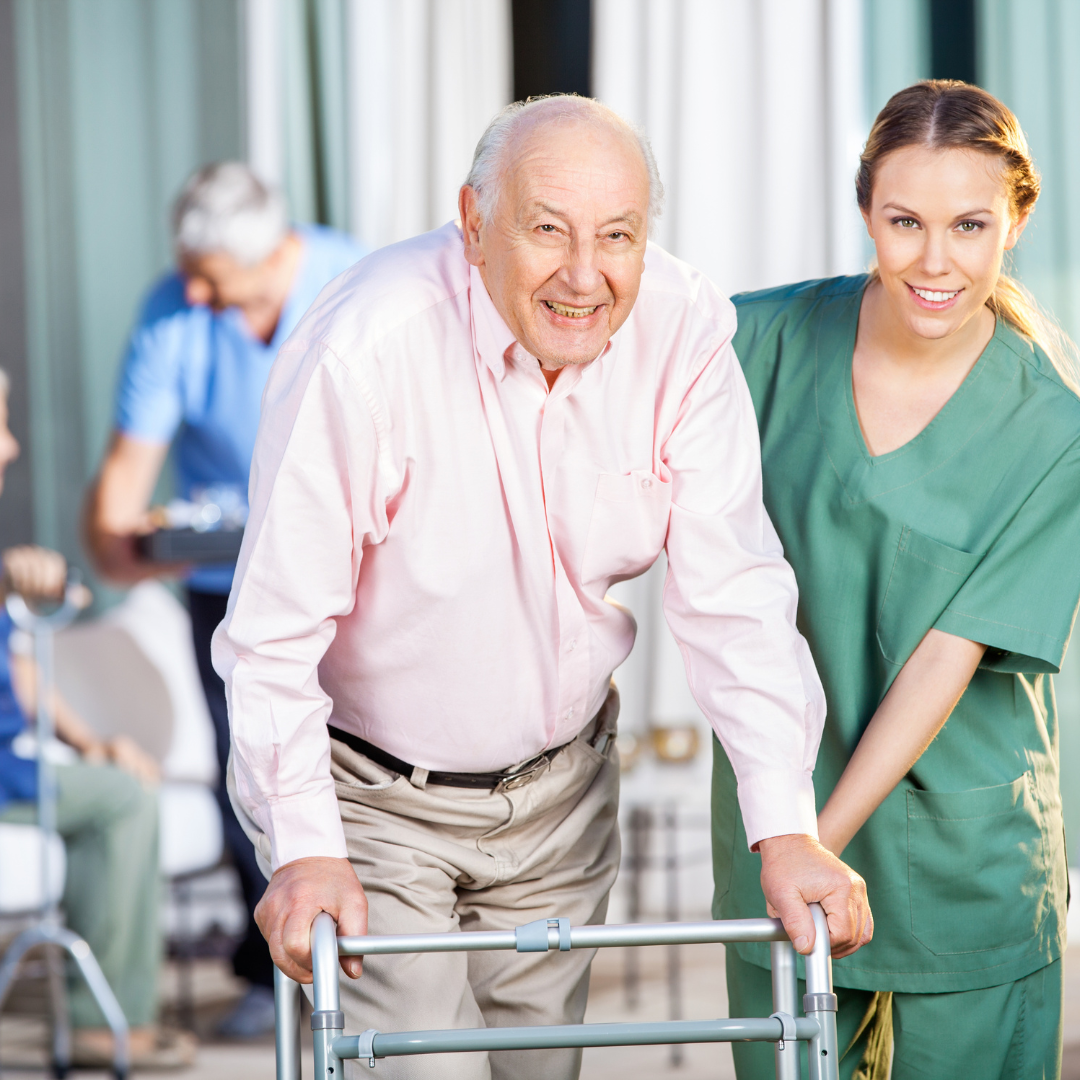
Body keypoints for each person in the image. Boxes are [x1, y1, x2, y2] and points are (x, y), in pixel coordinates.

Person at [214, 95, 872, 1080]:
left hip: (564, 794)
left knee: (544, 1067)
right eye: (547, 230)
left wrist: (786, 828)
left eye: (618, 236)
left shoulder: (684, 329)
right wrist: (305, 846)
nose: (584, 274)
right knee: (424, 1068)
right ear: (475, 225)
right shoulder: (366, 347)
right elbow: (271, 632)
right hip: (380, 802)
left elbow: (734, 598)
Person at [714, 80, 1080, 1080]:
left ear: (1017, 219)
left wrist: (806, 842)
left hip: (960, 859)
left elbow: (944, 658)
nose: (934, 260)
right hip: (777, 837)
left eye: (969, 224)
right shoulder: (754, 346)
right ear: (866, 211)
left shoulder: (1054, 429)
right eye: (903, 221)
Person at [84, 163, 367, 1036]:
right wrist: (148, 539)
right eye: (188, 270)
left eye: (213, 274)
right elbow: (114, 516)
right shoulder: (174, 313)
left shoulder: (351, 284)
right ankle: (273, 972)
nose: (195, 289)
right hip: (231, 584)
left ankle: (373, 956)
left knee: (364, 757)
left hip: (354, 577)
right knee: (253, 770)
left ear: (279, 251)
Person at [0, 370, 194, 1068]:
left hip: (14, 768)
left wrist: (92, 742)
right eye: (0, 424)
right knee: (123, 801)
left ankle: (99, 1010)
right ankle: (99, 1022)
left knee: (117, 779)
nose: (14, 446)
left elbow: (16, 663)